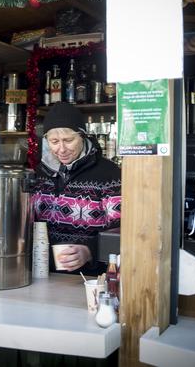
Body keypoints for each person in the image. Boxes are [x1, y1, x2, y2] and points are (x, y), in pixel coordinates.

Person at [31, 102, 121, 274]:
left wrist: (89, 251)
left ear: (83, 136)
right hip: (42, 273)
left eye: (68, 140)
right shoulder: (39, 174)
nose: (62, 149)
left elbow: (122, 231)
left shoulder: (109, 175)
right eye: (54, 142)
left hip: (90, 278)